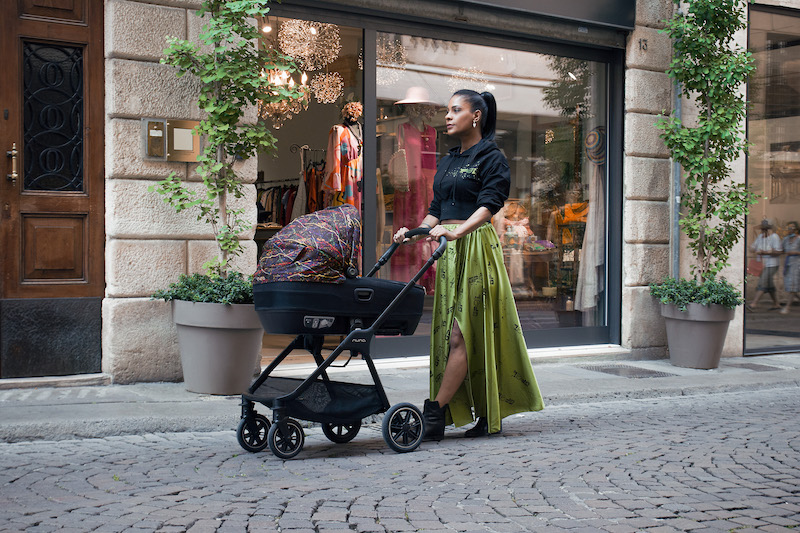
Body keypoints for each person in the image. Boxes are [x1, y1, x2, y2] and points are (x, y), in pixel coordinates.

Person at [393, 89, 544, 440]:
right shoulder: (447, 161)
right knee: (451, 336)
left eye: (455, 110)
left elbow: (490, 204)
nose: (447, 116)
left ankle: (434, 412)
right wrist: (415, 233)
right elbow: (436, 209)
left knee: (464, 332)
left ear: (475, 116)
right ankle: (469, 411)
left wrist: (459, 231)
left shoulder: (492, 157)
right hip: (450, 250)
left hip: (476, 249)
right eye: (447, 110)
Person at [748, 219, 782, 311]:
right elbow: (753, 247)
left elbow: (779, 251)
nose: (764, 230)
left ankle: (753, 304)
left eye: (766, 228)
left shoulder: (774, 237)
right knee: (769, 283)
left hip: (771, 264)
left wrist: (765, 252)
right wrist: (753, 249)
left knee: (763, 282)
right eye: (763, 228)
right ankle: (776, 303)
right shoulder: (760, 237)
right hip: (762, 264)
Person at [780, 221, 800, 314]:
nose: (789, 230)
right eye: (788, 228)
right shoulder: (786, 239)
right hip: (788, 264)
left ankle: (787, 307)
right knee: (791, 286)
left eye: (791, 228)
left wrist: (795, 252)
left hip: (797, 264)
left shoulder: (799, 239)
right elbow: (781, 249)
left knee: (793, 286)